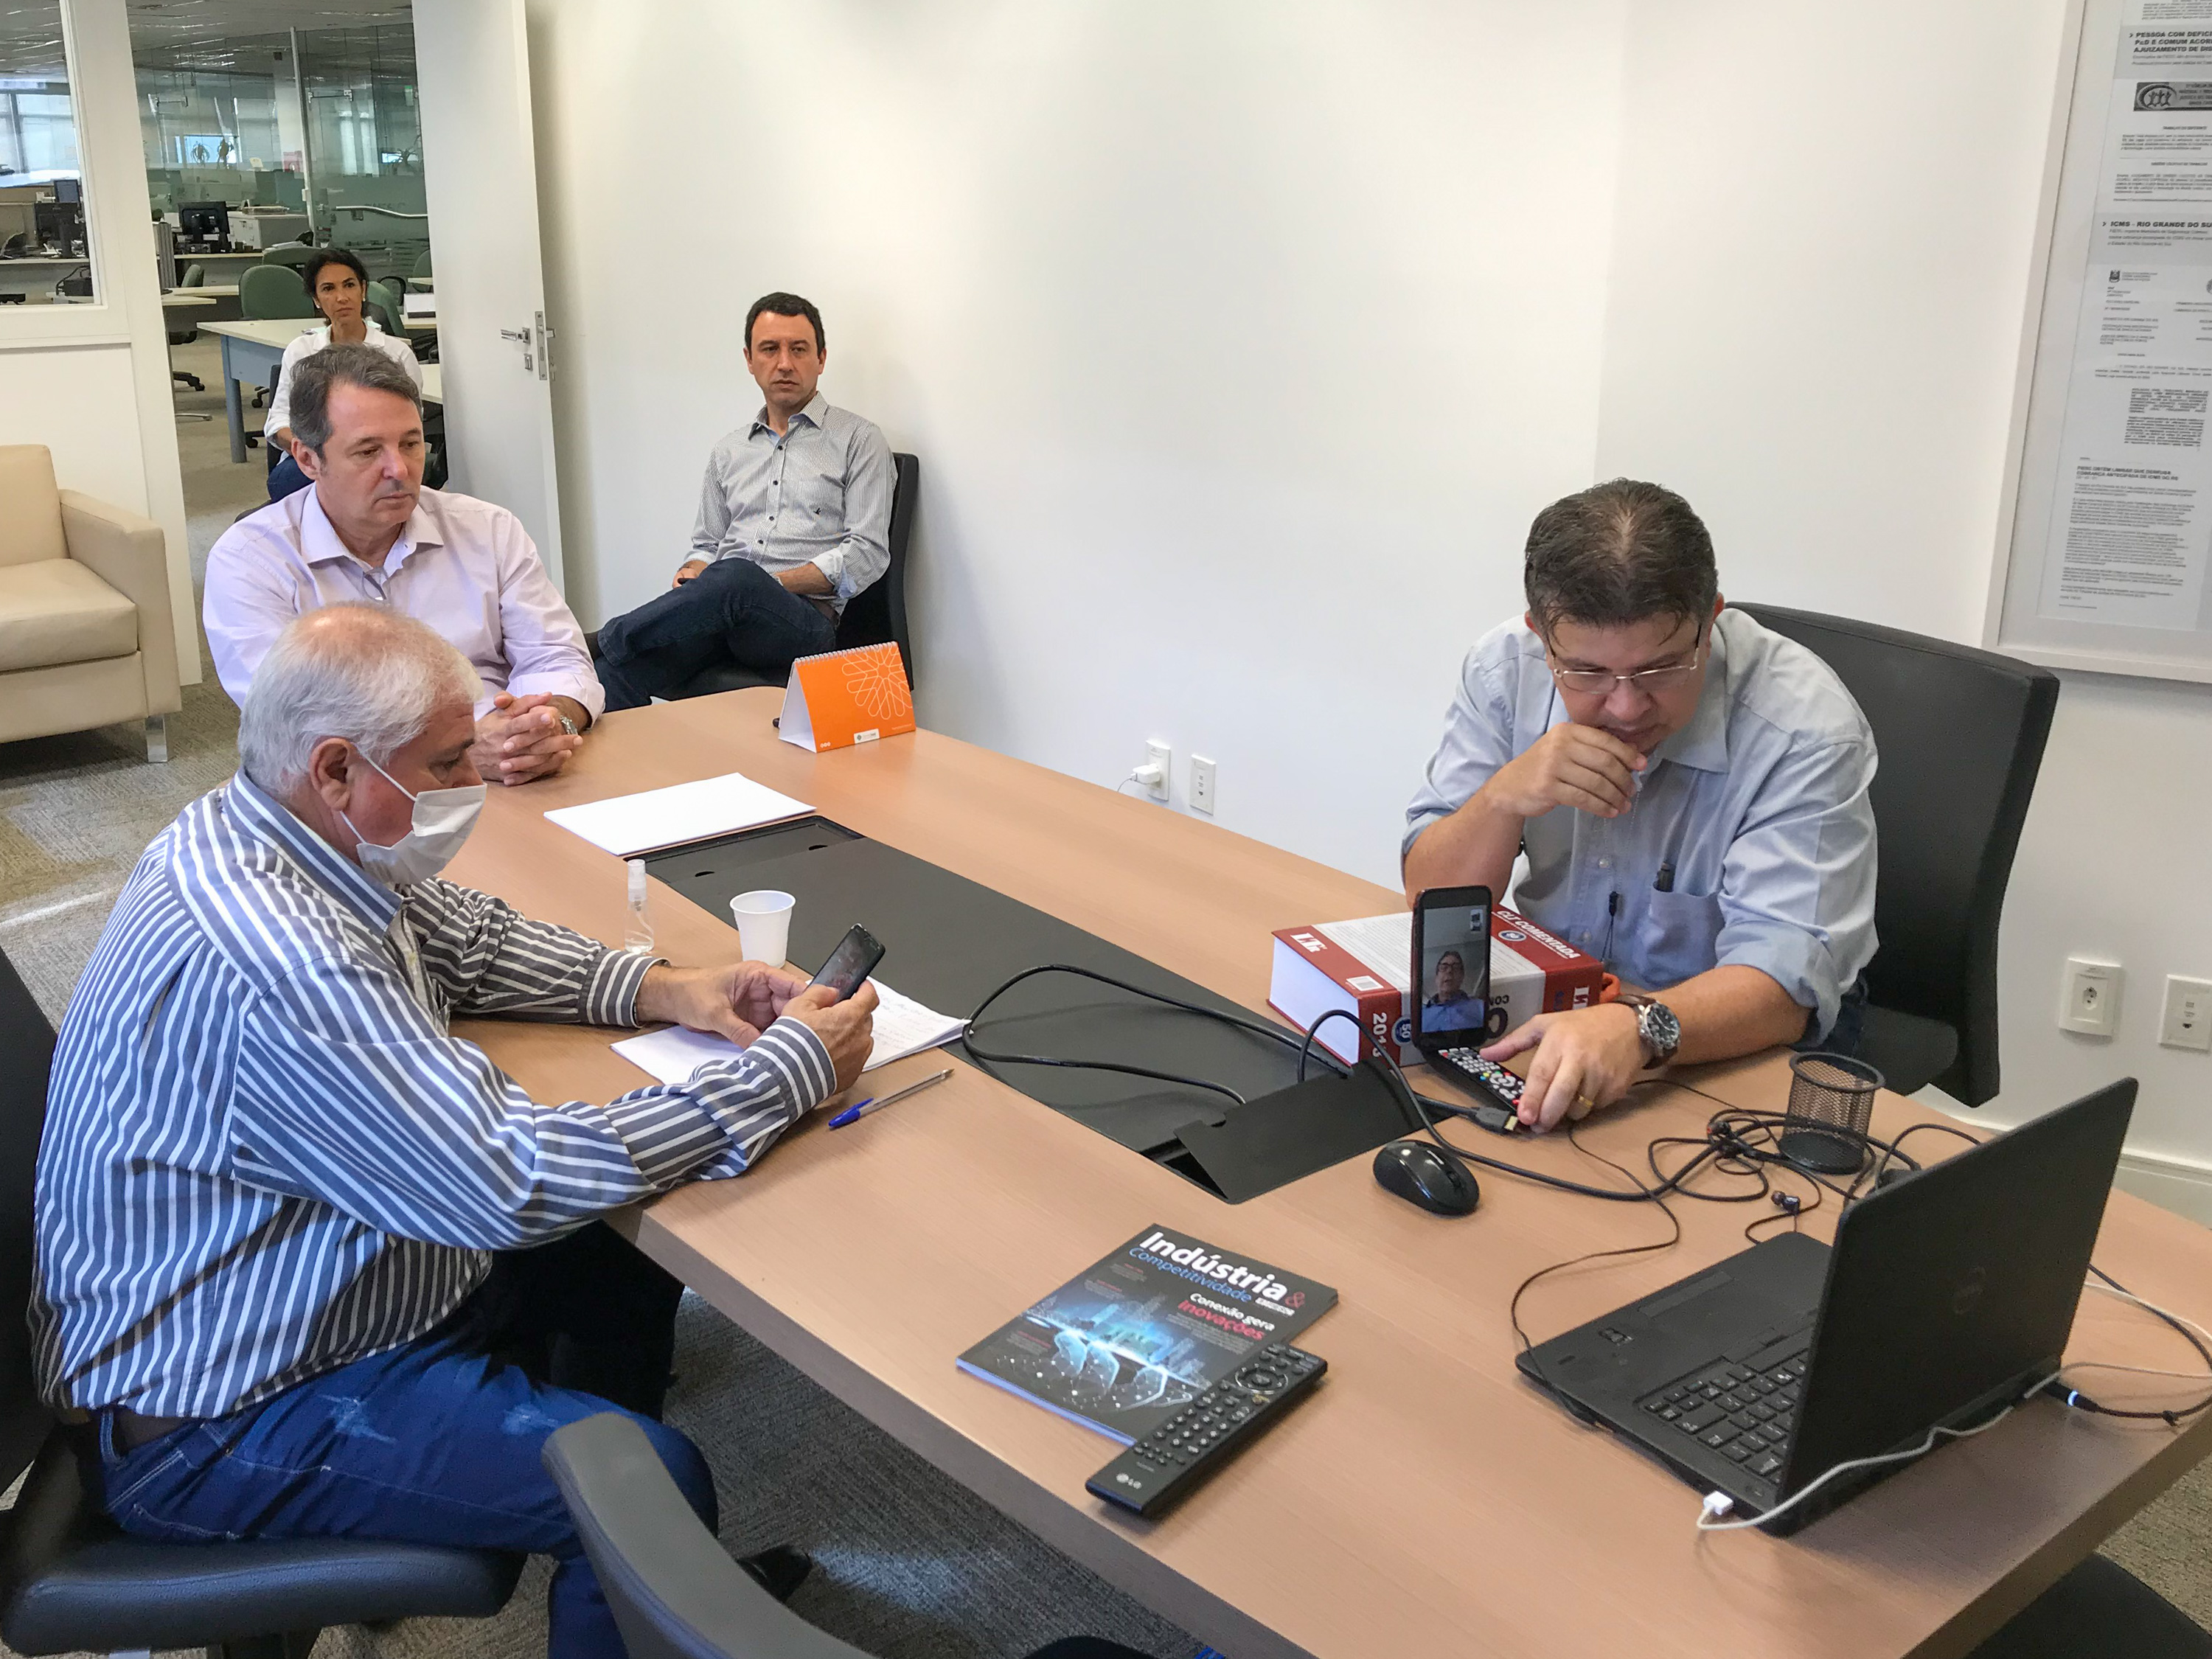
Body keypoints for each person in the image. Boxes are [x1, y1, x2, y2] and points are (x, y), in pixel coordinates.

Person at [31, 603, 879, 1659]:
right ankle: (632, 1545)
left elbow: (464, 940)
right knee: (652, 1477)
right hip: (220, 1412)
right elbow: (508, 1180)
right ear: (336, 767)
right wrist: (784, 1075)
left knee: (622, 1261)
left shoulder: (269, 826)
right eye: (444, 764)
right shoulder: (285, 961)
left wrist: (669, 989)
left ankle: (641, 1577)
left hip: (284, 1292)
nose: (469, 781)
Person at [1402, 478, 1877, 1133]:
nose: (1625, 708)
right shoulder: (1503, 671)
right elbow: (1431, 899)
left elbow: (1786, 980)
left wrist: (1639, 1025)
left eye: (1660, 670)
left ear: (1710, 622)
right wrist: (1501, 799)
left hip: (1734, 1034)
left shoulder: (1804, 729)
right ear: (1542, 637)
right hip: (1561, 1010)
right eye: (1587, 673)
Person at [206, 344, 602, 787]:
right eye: (368, 451)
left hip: (514, 774)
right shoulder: (251, 559)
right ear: (307, 459)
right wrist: (460, 750)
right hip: (351, 795)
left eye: (411, 444)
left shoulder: (487, 529)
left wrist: (547, 724)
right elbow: (291, 722)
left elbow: (557, 657)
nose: (399, 469)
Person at [594, 292, 894, 708]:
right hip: (720, 614)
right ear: (750, 361)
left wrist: (764, 585)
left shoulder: (859, 440)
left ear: (821, 359)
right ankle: (617, 697)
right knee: (612, 674)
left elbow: (867, 554)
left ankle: (603, 638)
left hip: (802, 622)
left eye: (799, 349)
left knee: (737, 577)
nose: (784, 363)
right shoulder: (729, 450)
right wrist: (694, 571)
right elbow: (706, 545)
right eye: (770, 349)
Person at [262, 247, 423, 503]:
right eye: (328, 289)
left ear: (363, 289)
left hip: (377, 454)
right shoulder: (301, 351)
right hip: (315, 459)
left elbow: (412, 422)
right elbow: (278, 421)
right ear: (316, 299)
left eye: (349, 285)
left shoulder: (396, 353)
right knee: (292, 482)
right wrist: (320, 453)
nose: (341, 297)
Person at [1422, 949, 1484, 1032]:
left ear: (1462, 977)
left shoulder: (1480, 1007)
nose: (1449, 971)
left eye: (1456, 968)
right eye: (1444, 967)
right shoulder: (1421, 1014)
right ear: (1436, 978)